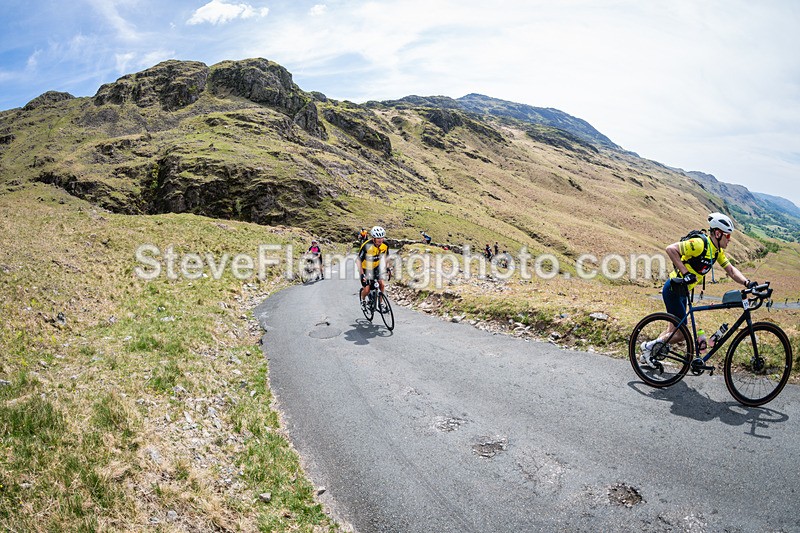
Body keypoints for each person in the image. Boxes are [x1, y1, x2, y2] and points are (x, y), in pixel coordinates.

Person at [640, 212, 756, 366]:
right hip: (673, 290)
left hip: (683, 292)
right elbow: (671, 249)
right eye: (727, 236)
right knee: (681, 334)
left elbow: (731, 271)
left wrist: (748, 283)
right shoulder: (700, 244)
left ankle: (649, 356)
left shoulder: (716, 252)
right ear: (717, 233)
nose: (729, 240)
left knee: (672, 331)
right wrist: (686, 273)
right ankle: (647, 347)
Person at [358, 226, 391, 310]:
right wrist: (362, 275)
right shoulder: (367, 245)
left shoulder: (385, 244)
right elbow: (358, 261)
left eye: (382, 237)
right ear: (373, 238)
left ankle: (380, 304)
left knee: (382, 284)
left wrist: (387, 268)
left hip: (376, 267)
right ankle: (363, 300)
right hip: (366, 268)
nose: (380, 240)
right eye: (378, 238)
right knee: (367, 289)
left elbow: (387, 257)